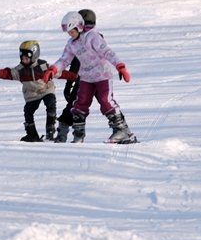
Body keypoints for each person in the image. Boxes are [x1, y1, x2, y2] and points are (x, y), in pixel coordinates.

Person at [43, 11, 136, 144]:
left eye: (72, 31)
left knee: (106, 101)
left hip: (102, 75)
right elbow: (64, 60)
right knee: (80, 104)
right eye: (68, 32)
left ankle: (121, 130)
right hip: (86, 78)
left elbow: (107, 52)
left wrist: (120, 66)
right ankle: (78, 135)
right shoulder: (72, 44)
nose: (70, 34)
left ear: (79, 27)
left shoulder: (93, 37)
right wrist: (53, 69)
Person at [0, 41, 77, 142]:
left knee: (51, 104)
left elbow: (60, 73)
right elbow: (8, 73)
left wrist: (75, 77)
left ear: (34, 56)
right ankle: (31, 134)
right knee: (28, 112)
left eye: (27, 58)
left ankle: (50, 129)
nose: (24, 60)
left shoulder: (43, 66)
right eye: (22, 58)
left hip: (46, 89)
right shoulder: (20, 70)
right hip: (31, 94)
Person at [53, 9, 96, 143]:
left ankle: (121, 130)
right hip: (81, 80)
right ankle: (63, 134)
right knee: (73, 107)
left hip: (94, 79)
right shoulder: (76, 42)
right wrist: (69, 84)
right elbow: (73, 63)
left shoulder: (94, 39)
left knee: (105, 105)